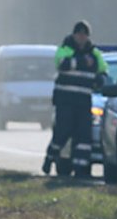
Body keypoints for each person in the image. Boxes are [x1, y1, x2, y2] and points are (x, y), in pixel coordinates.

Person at [42, 20, 107, 178]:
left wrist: (99, 79)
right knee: (61, 134)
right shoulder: (65, 48)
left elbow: (103, 71)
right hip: (65, 102)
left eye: (84, 34)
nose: (81, 37)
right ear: (74, 34)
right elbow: (62, 63)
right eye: (79, 34)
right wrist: (83, 62)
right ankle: (50, 158)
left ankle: (80, 170)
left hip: (83, 103)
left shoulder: (94, 53)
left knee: (84, 137)